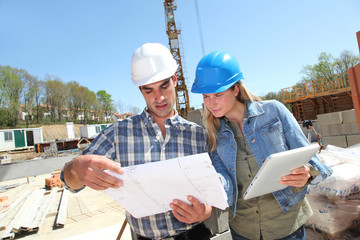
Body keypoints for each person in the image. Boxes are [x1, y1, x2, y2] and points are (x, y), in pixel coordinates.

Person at [60, 43, 213, 240]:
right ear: (140, 89)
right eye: (149, 90)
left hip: (195, 235)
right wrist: (75, 169)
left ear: (175, 79)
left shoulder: (197, 135)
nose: (159, 97)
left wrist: (206, 211)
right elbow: (69, 182)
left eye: (164, 86)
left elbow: (212, 191)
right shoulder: (118, 134)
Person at [190, 51, 333, 240]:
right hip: (243, 229)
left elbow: (308, 157)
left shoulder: (273, 111)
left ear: (235, 90)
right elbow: (223, 179)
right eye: (206, 97)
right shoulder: (214, 134)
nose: (211, 104)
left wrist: (306, 173)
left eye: (218, 94)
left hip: (286, 223)